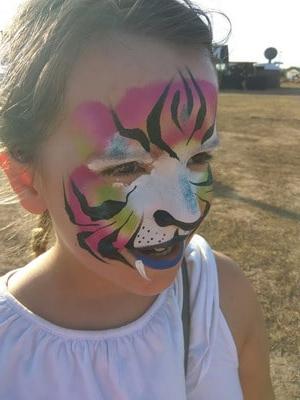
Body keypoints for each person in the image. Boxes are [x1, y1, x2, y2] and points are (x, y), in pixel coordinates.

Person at [0, 0, 274, 399]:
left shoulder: (221, 298)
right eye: (125, 168)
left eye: (199, 157)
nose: (186, 211)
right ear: (27, 179)